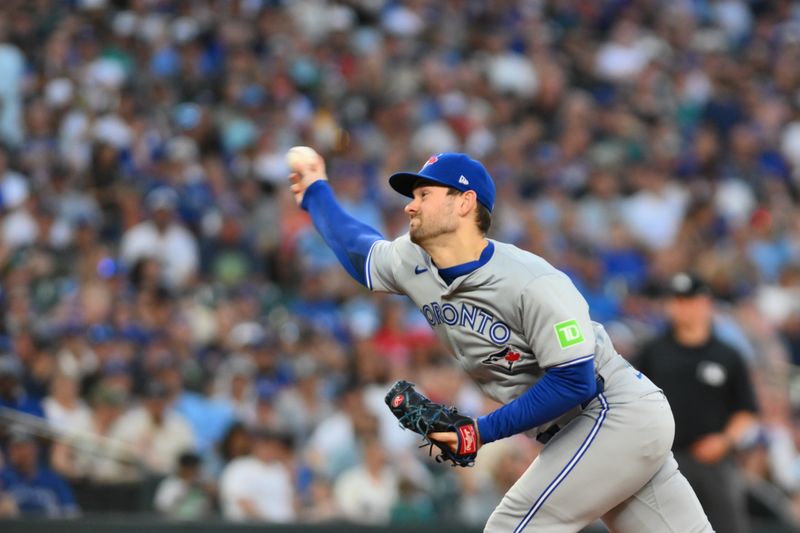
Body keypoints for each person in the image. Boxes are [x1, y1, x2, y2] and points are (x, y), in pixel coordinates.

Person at [288, 150, 713, 532]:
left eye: (423, 194)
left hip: (611, 413)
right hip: (582, 432)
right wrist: (315, 192)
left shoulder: (532, 281)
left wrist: (481, 431)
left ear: (464, 202)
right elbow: (357, 248)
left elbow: (575, 382)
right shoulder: (413, 261)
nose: (409, 205)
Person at [636, 272, 759, 533]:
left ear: (706, 303)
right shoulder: (652, 351)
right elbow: (633, 401)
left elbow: (747, 410)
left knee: (727, 525)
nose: (681, 308)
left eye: (689, 300)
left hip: (714, 461)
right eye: (676, 300)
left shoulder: (727, 355)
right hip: (663, 459)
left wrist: (725, 440)